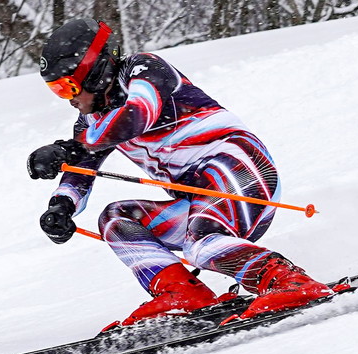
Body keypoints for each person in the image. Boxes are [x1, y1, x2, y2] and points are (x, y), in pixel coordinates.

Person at [27, 17, 333, 330]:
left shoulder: (144, 70)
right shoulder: (93, 122)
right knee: (116, 220)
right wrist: (61, 207)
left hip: (242, 174)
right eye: (57, 91)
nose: (69, 99)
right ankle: (182, 294)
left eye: (68, 86)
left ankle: (291, 282)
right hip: (203, 201)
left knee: (200, 245)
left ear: (96, 72)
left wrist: (72, 148)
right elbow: (80, 170)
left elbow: (137, 114)